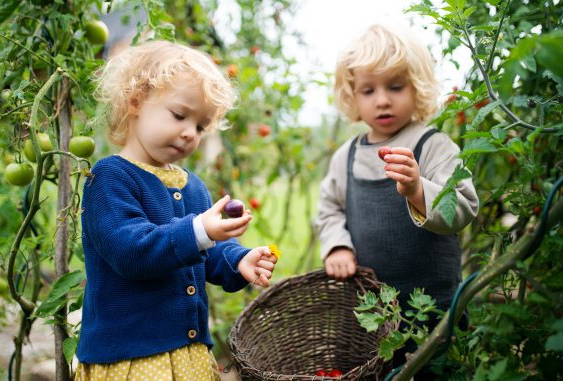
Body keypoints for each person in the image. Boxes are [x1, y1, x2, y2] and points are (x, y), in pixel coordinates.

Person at [75, 40, 277, 381]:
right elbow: (131, 251)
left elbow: (204, 251)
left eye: (200, 126)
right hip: (131, 357)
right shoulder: (109, 178)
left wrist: (237, 260)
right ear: (135, 101)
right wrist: (200, 231)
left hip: (188, 355)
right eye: (180, 115)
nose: (189, 133)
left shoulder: (193, 185)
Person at [316, 24, 479, 379]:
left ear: (416, 87)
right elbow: (329, 209)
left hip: (433, 314)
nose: (383, 100)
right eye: (368, 90)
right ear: (352, 96)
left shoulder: (433, 145)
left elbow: (464, 205)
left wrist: (418, 190)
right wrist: (337, 247)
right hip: (370, 319)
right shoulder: (346, 156)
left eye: (395, 87)